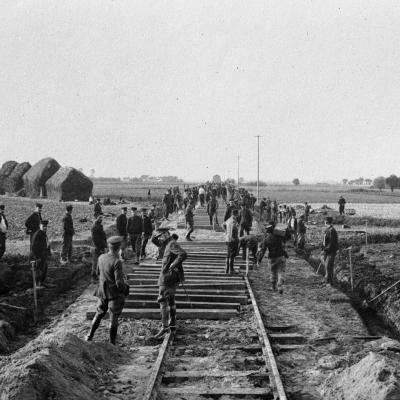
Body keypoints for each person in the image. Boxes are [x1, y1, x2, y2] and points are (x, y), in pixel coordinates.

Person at [85, 236, 129, 345]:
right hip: (113, 294)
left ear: (109, 247)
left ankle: (89, 336)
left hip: (102, 291)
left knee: (99, 313)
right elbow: (119, 283)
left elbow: (98, 272)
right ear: (119, 248)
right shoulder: (117, 261)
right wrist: (125, 288)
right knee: (113, 318)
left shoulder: (101, 257)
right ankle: (112, 344)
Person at [152, 230, 187, 338]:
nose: (159, 239)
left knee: (162, 300)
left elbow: (183, 254)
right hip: (170, 276)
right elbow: (154, 240)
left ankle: (164, 327)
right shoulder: (167, 243)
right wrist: (157, 234)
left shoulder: (171, 243)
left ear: (166, 234)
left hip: (168, 277)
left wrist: (173, 264)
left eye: (160, 236)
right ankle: (172, 325)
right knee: (171, 300)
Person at [257, 221, 290, 294]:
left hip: (272, 258)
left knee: (273, 272)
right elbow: (287, 236)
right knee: (281, 271)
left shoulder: (266, 239)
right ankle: (280, 285)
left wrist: (259, 260)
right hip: (281, 256)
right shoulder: (279, 236)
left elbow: (263, 251)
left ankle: (273, 286)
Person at [31, 220, 50, 288]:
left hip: (44, 255)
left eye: (46, 226)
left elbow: (47, 244)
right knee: (38, 270)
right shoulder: (37, 234)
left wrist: (48, 253)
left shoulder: (43, 233)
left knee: (44, 269)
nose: (45, 227)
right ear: (40, 226)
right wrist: (37, 257)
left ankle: (41, 283)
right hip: (39, 256)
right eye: (43, 226)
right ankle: (37, 284)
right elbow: (33, 247)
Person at [322, 216, 339, 285]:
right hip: (327, 251)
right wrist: (323, 249)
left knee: (328, 266)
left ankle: (329, 282)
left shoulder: (332, 230)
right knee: (326, 266)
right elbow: (325, 241)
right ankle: (327, 280)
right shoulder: (328, 229)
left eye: (325, 221)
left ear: (326, 222)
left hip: (330, 251)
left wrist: (325, 250)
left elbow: (332, 243)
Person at [91, 215, 107, 283]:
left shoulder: (99, 226)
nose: (104, 221)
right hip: (96, 248)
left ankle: (98, 276)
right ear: (100, 220)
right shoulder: (96, 227)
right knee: (95, 263)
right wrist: (99, 248)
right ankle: (94, 278)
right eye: (103, 220)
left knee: (99, 262)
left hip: (99, 247)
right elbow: (96, 239)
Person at [223, 209, 239, 275]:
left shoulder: (228, 219)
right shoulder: (233, 221)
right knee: (232, 256)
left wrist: (226, 232)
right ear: (236, 214)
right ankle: (231, 270)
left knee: (228, 254)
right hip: (232, 240)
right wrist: (233, 237)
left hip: (227, 239)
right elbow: (233, 229)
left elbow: (223, 225)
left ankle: (227, 269)